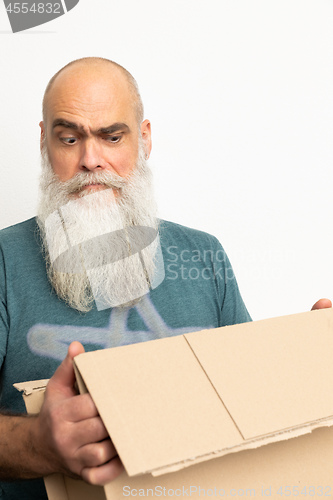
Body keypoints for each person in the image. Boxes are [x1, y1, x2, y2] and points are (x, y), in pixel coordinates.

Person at [0, 57, 330, 500]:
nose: (91, 160)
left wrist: (307, 364)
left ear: (145, 139)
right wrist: (39, 444)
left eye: (112, 137)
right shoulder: (4, 261)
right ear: (45, 143)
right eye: (69, 138)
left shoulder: (203, 254)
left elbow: (247, 409)